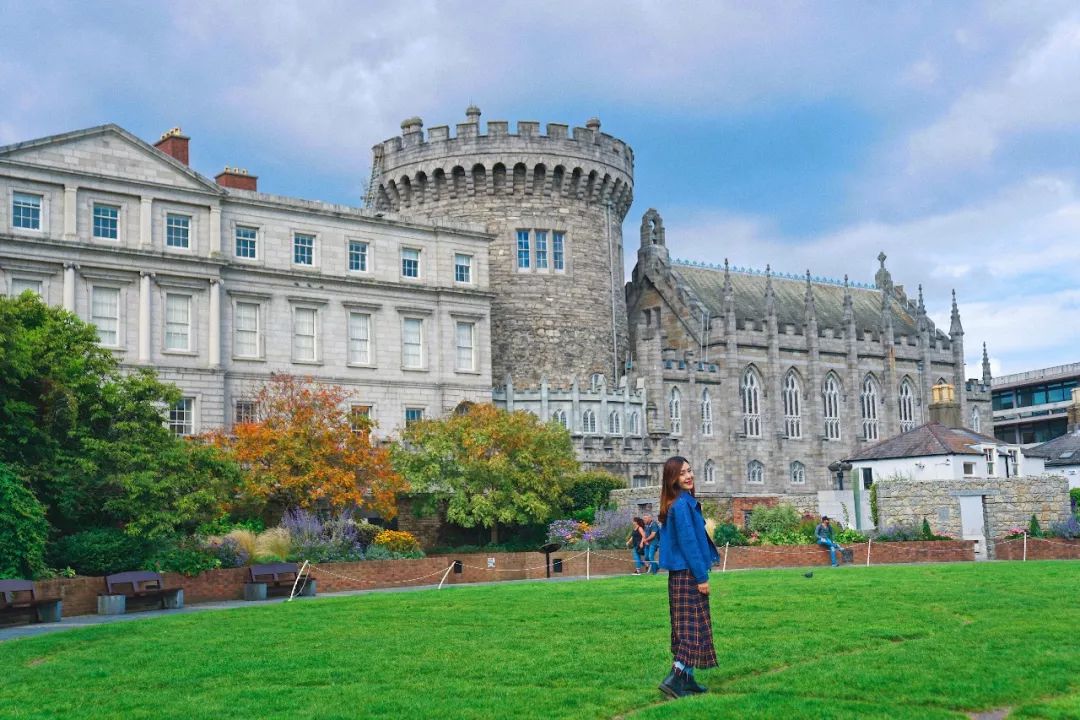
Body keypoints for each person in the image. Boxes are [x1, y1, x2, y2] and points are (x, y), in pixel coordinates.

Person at [657, 456, 719, 698]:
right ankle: (675, 677)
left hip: (681, 575)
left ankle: (688, 679)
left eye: (690, 471)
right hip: (688, 575)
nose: (688, 476)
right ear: (673, 479)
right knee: (692, 629)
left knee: (689, 626)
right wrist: (701, 578)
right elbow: (689, 543)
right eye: (682, 473)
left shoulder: (680, 502)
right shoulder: (681, 505)